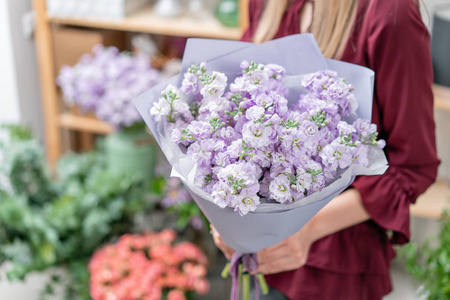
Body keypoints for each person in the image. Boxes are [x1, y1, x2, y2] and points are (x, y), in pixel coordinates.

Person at [211, 0, 440, 299]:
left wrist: (305, 230)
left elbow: (412, 167)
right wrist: (225, 213)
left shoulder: (388, 12)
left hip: (332, 269)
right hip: (257, 260)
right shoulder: (268, 4)